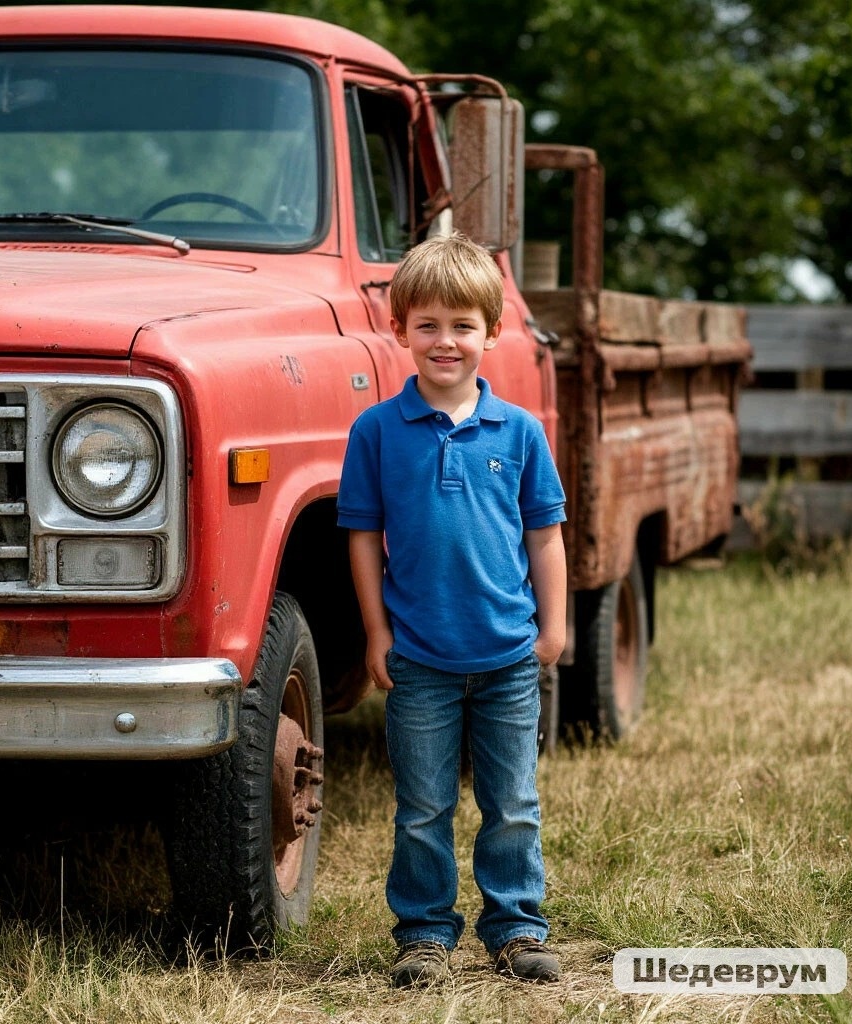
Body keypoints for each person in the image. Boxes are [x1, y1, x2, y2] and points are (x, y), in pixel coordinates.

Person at [337, 231, 568, 988]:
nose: (446, 341)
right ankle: (425, 935)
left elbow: (545, 536)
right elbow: (365, 538)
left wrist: (555, 624)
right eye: (428, 324)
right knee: (422, 807)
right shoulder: (375, 432)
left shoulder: (520, 431)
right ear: (399, 330)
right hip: (421, 659)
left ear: (492, 333)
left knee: (513, 805)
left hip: (506, 656)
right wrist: (377, 630)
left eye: (463, 325)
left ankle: (516, 927)